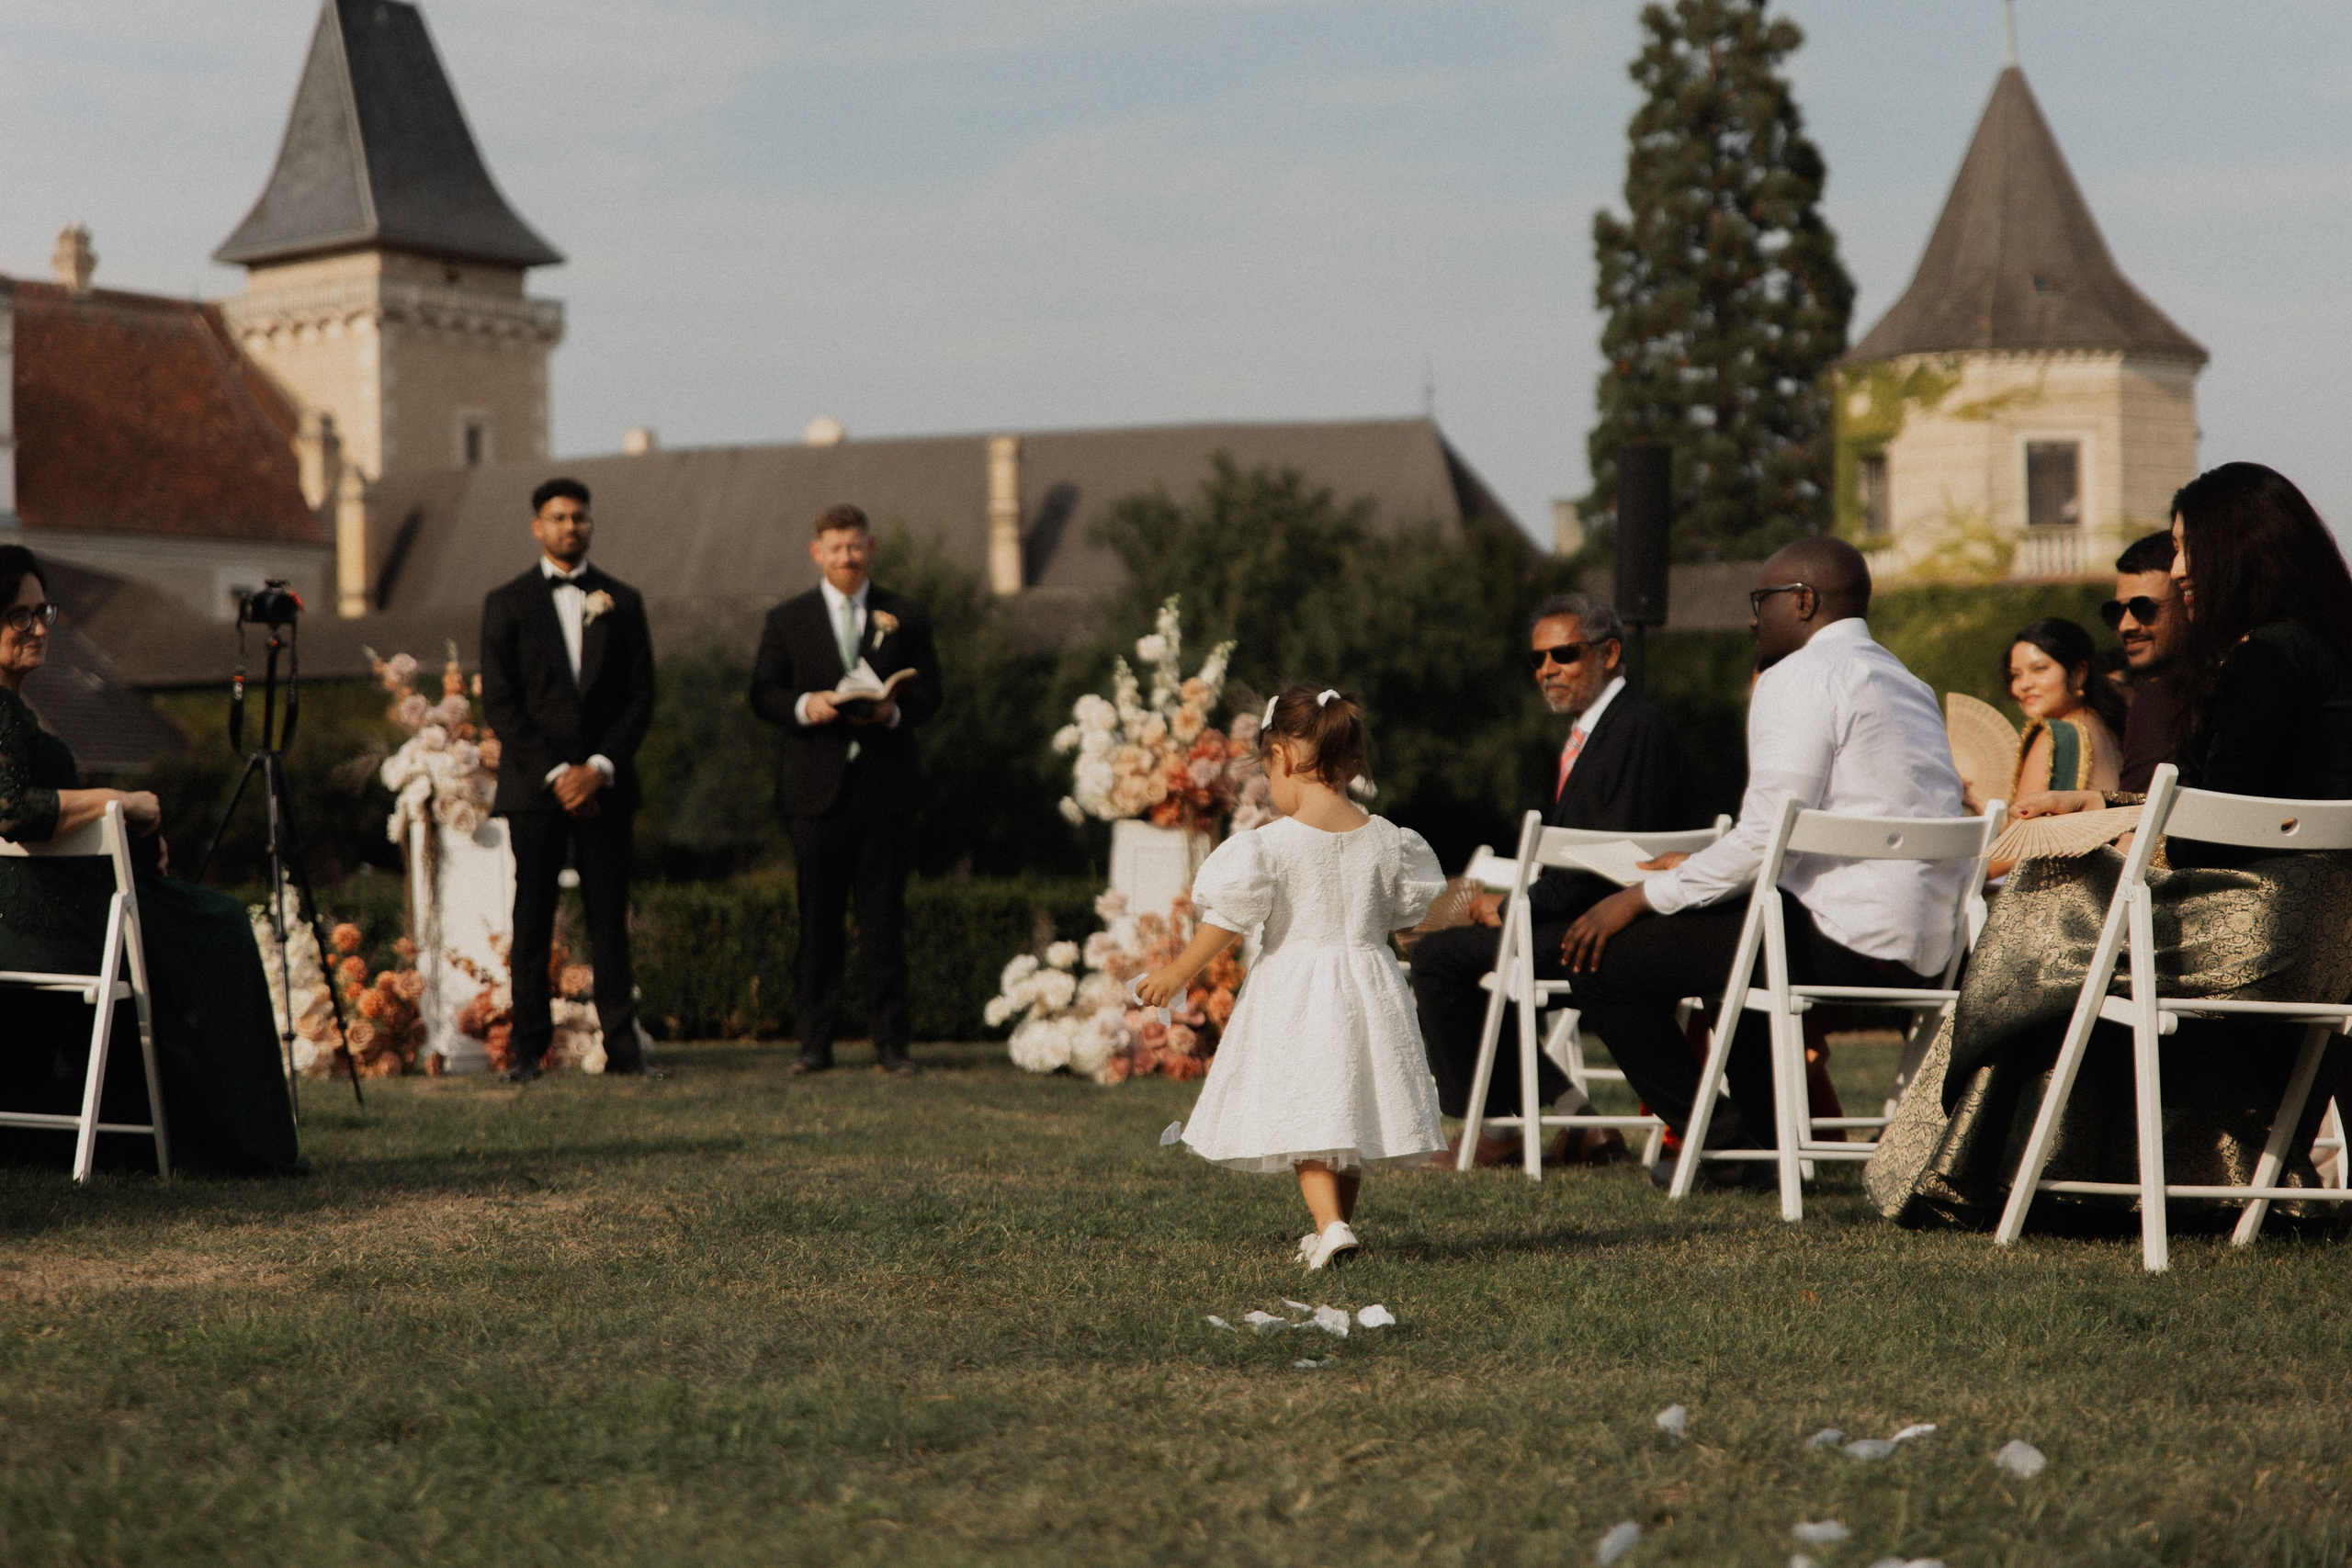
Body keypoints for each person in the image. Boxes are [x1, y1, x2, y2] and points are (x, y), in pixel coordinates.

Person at [1868, 462, 2352, 1229]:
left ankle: (1964, 1154)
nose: (2181, 569)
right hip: (2329, 931)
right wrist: (2104, 804)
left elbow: (2202, 833)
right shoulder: (2325, 648)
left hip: (2267, 932)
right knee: (2082, 932)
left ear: (2239, 549)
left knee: (2043, 899)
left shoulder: (2261, 658)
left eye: (2191, 549)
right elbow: (2244, 804)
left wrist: (2109, 825)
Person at [1555, 536, 1968, 1190]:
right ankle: (1768, 1148)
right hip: (1926, 944)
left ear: (1803, 601)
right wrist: (1693, 869)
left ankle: (1719, 1144)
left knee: (1598, 954)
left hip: (1835, 937)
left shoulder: (1797, 676)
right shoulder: (1904, 679)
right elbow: (1793, 839)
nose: (1752, 617)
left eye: (1761, 600)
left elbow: (1764, 838)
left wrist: (1636, 897)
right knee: (1729, 948)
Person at [0, 545, 301, 1174]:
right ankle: (234, 1139)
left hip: (62, 901)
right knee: (220, 928)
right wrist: (121, 800)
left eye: (42, 612)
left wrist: (128, 837)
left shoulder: (21, 702)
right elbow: (11, 808)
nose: (36, 628)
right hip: (44, 921)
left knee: (206, 918)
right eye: (17, 615)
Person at [1141, 684, 1448, 1269]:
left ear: (1278, 759)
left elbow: (1225, 922)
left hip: (1298, 991)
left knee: (1312, 1111)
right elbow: (1411, 918)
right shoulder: (1390, 840)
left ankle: (1329, 1226)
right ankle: (1337, 1226)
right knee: (1350, 1113)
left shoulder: (1270, 846)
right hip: (1369, 986)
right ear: (1352, 764)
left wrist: (1177, 973)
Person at [1408, 592, 1691, 1168]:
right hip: (1565, 907)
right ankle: (1575, 1121)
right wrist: (1503, 900)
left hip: (1608, 925)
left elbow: (1603, 861)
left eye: (1563, 654)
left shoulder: (1632, 730)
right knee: (1432, 925)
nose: (1547, 670)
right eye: (1537, 660)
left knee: (1440, 957)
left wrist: (1515, 906)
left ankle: (1498, 1132)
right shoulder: (1599, 729)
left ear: (1609, 652)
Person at [750, 504, 943, 1077]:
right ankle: (814, 1045)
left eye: (855, 546)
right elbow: (761, 693)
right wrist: (804, 706)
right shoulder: (788, 619)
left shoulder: (905, 613)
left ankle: (891, 1045)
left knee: (884, 921)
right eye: (835, 548)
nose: (846, 557)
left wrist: (892, 712)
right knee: (817, 923)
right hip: (815, 792)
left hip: (884, 789)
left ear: (871, 547)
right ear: (817, 552)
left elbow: (932, 693)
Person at [479, 478, 658, 1081]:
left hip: (605, 785)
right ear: (538, 526)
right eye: (558, 517)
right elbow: (502, 705)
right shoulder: (507, 603)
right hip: (536, 786)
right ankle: (528, 1052)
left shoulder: (623, 600)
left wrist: (598, 769)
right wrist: (558, 774)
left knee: (610, 918)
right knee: (533, 917)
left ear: (590, 523)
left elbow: (640, 697)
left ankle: (623, 1051)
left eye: (579, 517)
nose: (570, 526)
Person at [2103, 530, 2188, 792]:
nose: (2125, 625)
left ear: (2189, 600)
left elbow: (2133, 822)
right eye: (2116, 611)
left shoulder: (2160, 699)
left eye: (2145, 608)